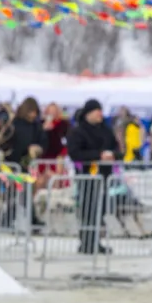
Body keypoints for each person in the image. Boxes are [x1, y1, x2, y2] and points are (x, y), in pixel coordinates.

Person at [65, 98, 119, 255]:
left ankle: (95, 241)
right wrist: (98, 155)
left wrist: (113, 155)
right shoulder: (78, 131)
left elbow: (116, 147)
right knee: (88, 209)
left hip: (104, 175)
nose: (100, 114)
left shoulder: (106, 130)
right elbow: (75, 153)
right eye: (97, 111)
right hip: (87, 175)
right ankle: (87, 241)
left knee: (100, 209)